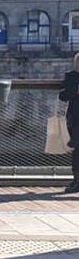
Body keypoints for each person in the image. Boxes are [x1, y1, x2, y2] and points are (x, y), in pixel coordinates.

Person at [58, 53, 79, 194]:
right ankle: (77, 180)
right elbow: (63, 96)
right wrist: (76, 91)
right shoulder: (71, 76)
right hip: (75, 118)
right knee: (77, 149)